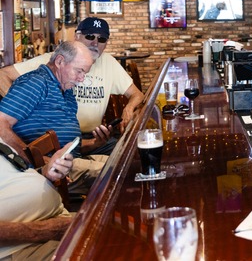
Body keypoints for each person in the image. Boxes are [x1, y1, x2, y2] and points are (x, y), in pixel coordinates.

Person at [0, 17, 144, 155]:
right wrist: (23, 108)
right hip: (58, 141)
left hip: (90, 137)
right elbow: (3, 75)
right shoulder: (53, 62)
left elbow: (137, 94)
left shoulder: (107, 63)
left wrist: (129, 108)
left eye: (101, 39)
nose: (95, 43)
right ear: (77, 36)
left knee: (131, 153)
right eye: (89, 36)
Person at [0, 41, 104, 194]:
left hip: (70, 160)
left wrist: (96, 143)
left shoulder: (65, 88)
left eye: (84, 73)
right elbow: (1, 124)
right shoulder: (35, 82)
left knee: (124, 161)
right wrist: (38, 161)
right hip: (52, 170)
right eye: (79, 71)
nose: (82, 79)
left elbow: (66, 141)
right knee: (121, 172)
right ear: (60, 61)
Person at [0, 137, 74, 260]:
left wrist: (48, 171)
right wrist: (50, 230)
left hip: (56, 221)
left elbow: (17, 175)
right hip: (22, 247)